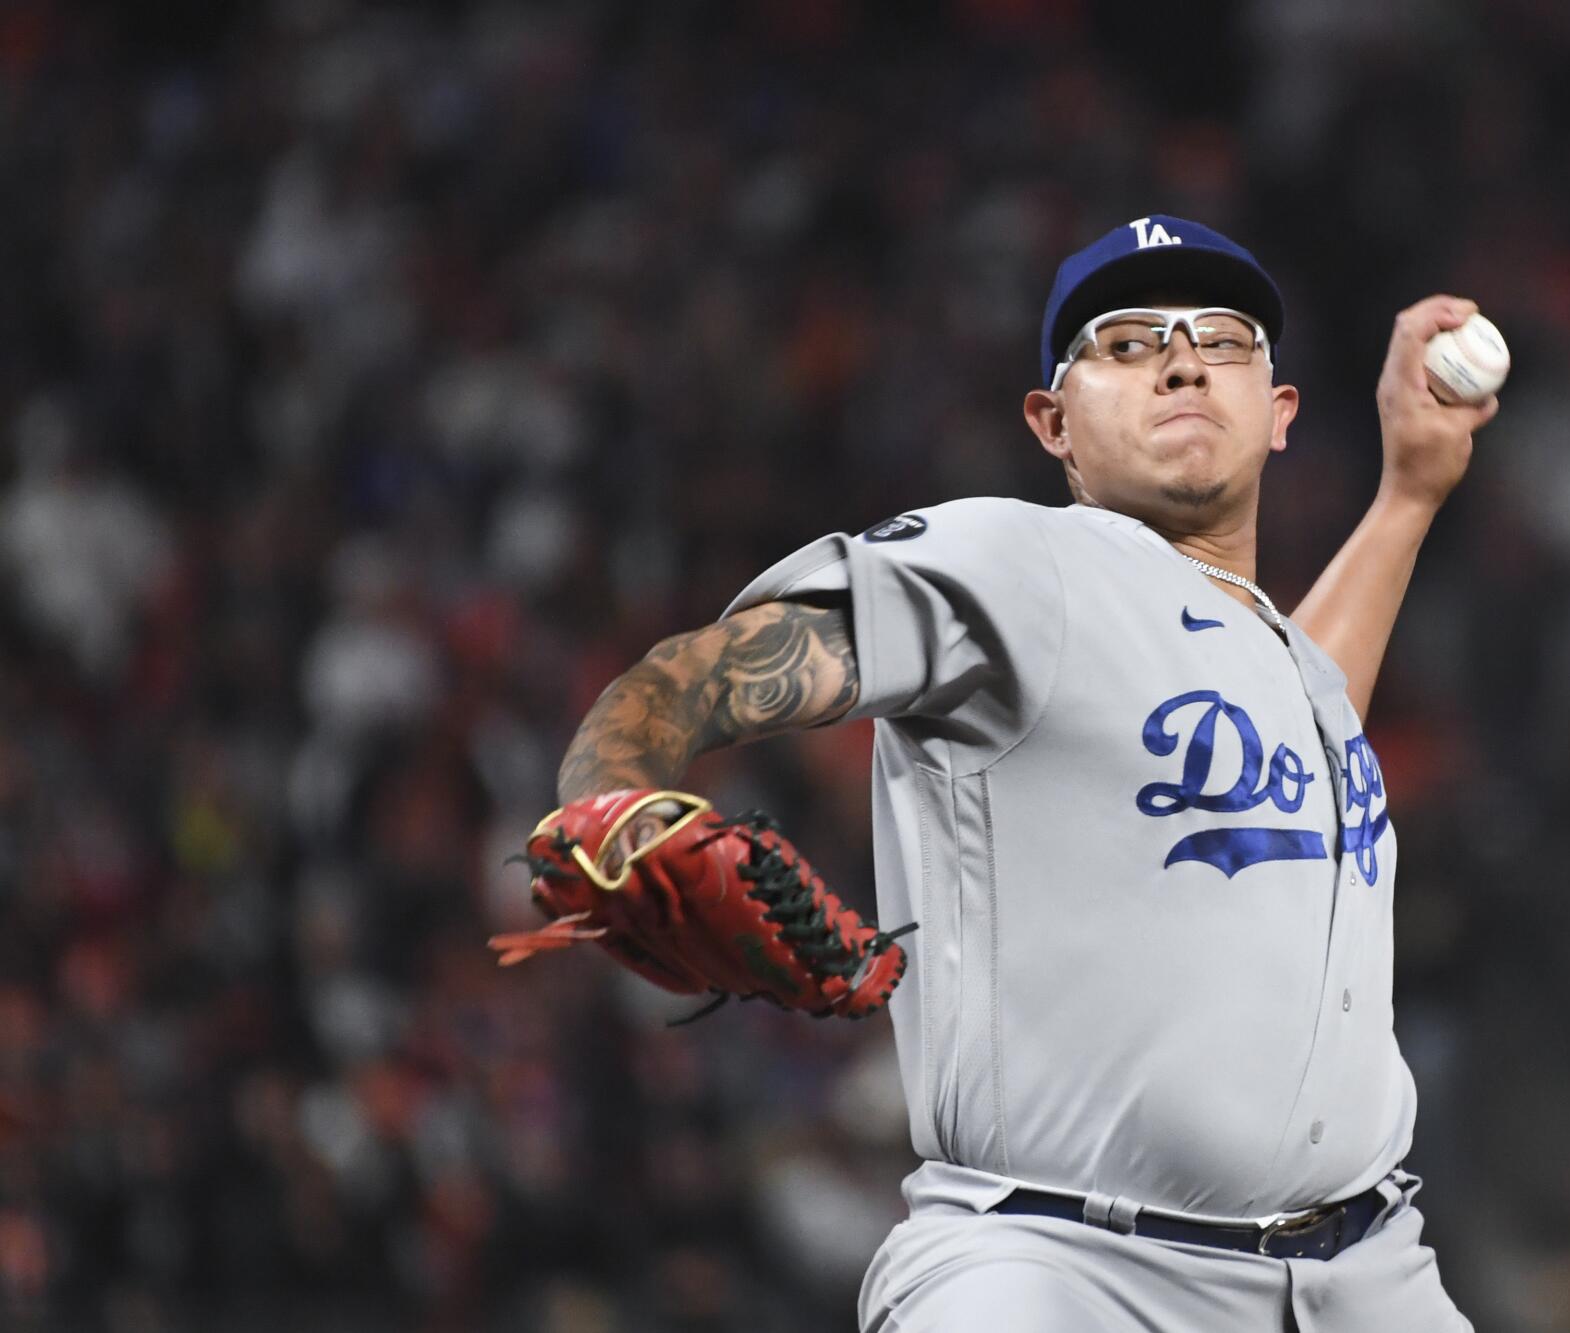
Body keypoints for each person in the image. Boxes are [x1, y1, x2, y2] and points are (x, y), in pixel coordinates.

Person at [553, 215, 1496, 1331]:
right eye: (1127, 343)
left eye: (1223, 340)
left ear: (1279, 414)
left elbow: (1305, 699)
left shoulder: (1270, 659)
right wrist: (608, 795)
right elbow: (695, 677)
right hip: (1066, 1268)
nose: (1182, 358)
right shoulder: (1016, 565)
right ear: (1052, 423)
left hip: (1367, 1276)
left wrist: (1406, 497)